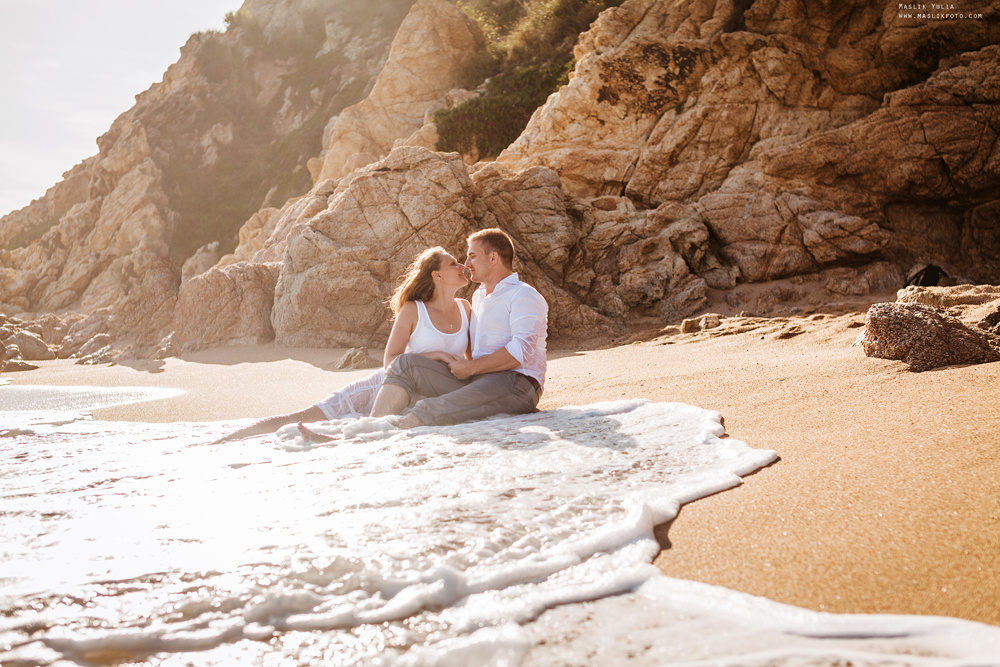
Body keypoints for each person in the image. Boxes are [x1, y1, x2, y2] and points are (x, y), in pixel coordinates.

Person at [213, 247, 471, 442]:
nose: (462, 266)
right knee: (303, 417)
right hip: (385, 385)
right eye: (454, 263)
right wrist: (436, 355)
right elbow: (390, 361)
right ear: (437, 275)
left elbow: (473, 360)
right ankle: (224, 441)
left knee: (376, 432)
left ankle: (337, 442)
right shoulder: (413, 311)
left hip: (423, 394)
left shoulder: (466, 308)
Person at [369, 228, 548, 428]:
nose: (467, 264)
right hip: (477, 380)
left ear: (493, 258)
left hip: (516, 383)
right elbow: (474, 354)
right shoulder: (478, 298)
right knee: (404, 365)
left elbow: (522, 350)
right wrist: (466, 367)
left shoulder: (523, 295)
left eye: (472, 256)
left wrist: (471, 367)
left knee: (432, 408)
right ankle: (369, 429)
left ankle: (396, 430)